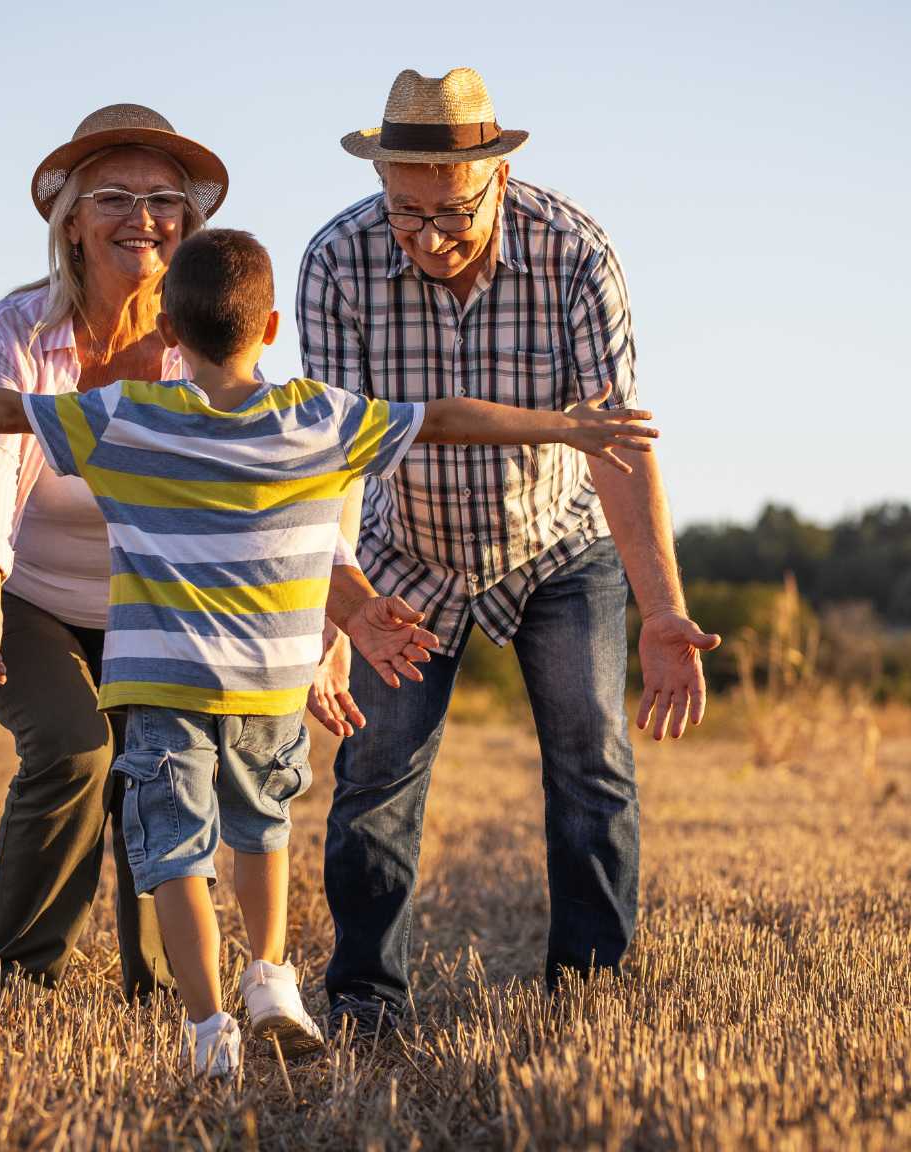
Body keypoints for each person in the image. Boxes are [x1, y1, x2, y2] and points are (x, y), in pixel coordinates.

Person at [0, 228, 658, 1076]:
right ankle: (272, 975)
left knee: (175, 855)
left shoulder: (127, 417)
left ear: (168, 332)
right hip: (274, 686)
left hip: (163, 685)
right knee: (262, 831)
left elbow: (3, 412)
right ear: (271, 328)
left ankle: (208, 1028)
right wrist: (563, 427)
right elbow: (447, 420)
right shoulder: (320, 416)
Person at [297, 67, 722, 1032]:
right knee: (375, 772)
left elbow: (618, 443)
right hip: (406, 552)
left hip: (557, 545)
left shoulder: (576, 252)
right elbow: (326, 459)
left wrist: (660, 610)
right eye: (406, 213)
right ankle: (365, 996)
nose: (429, 237)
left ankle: (590, 993)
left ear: (495, 176)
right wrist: (340, 606)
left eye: (451, 212)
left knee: (591, 761)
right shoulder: (335, 262)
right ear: (382, 183)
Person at [0, 104, 231, 998]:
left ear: (190, 222)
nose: (142, 215)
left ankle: (165, 986)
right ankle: (17, 975)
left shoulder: (201, 342)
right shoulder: (21, 327)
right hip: (18, 588)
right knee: (71, 748)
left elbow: (251, 474)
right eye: (114, 195)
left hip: (151, 604)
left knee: (161, 772)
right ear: (70, 223)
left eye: (163, 197)